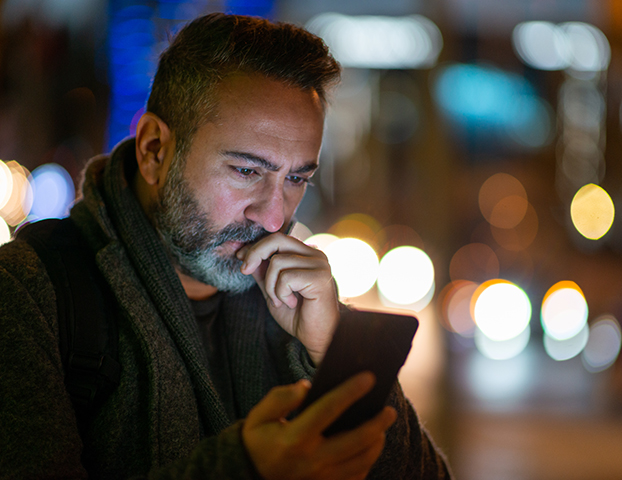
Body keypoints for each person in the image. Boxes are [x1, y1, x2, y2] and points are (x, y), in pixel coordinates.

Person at [0, 13, 451, 479]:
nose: (275, 217)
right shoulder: (29, 295)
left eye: (296, 178)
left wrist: (332, 350)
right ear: (154, 150)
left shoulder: (298, 311)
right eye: (247, 171)